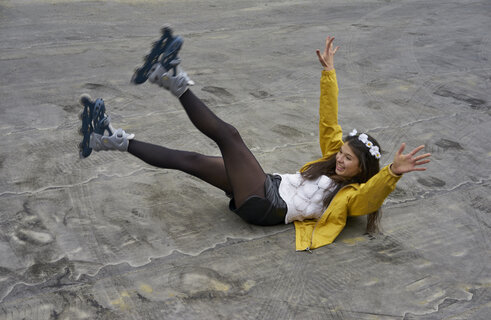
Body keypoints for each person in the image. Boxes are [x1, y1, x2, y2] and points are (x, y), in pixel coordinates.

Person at [82, 36, 431, 252]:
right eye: (342, 153)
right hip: (268, 186)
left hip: (267, 204)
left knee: (229, 136)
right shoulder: (332, 159)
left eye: (348, 160)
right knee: (189, 159)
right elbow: (329, 121)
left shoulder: (352, 197)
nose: (340, 160)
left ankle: (169, 78)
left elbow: (372, 197)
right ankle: (109, 139)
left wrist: (392, 174)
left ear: (361, 170)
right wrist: (329, 74)